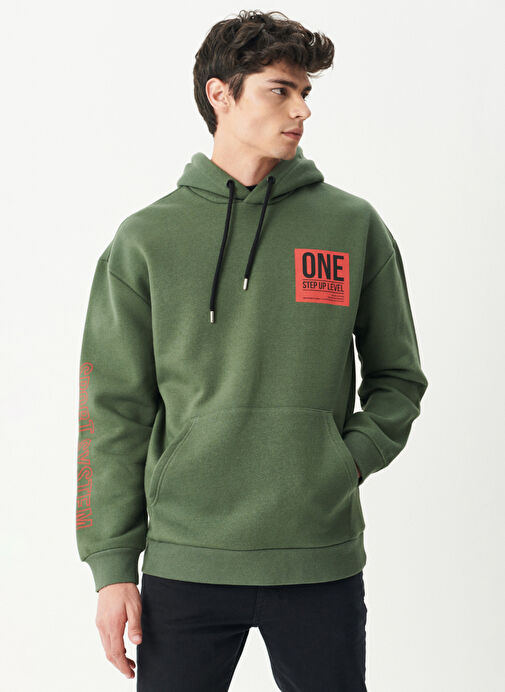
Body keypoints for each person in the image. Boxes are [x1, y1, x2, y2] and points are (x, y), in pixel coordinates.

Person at [75, 9, 428, 691]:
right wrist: (112, 567)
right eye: (279, 90)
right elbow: (110, 412)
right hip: (186, 562)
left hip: (317, 560)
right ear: (220, 94)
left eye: (305, 93)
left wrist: (342, 461)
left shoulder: (352, 226)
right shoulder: (146, 240)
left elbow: (398, 378)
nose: (301, 110)